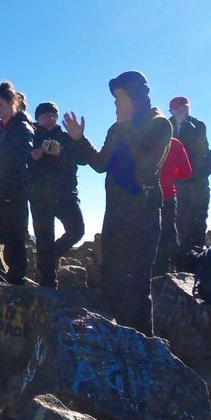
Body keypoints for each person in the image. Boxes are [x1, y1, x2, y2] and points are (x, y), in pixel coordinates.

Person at [64, 70, 172, 336]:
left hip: (143, 215)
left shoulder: (160, 124)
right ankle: (123, 341)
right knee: (112, 280)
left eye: (119, 98)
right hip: (115, 214)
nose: (115, 105)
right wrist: (79, 140)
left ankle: (144, 347)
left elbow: (147, 166)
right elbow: (101, 164)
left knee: (136, 286)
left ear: (135, 96)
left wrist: (127, 127)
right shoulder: (117, 128)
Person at [0, 81, 34, 285]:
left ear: (13, 102)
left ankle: (16, 279)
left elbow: (21, 154)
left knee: (14, 233)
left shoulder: (22, 126)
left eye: (0, 106)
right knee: (5, 232)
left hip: (15, 186)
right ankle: (14, 276)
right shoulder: (1, 129)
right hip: (1, 187)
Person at [29, 102, 85, 288]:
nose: (50, 118)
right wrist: (33, 156)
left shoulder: (65, 137)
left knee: (77, 230)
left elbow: (80, 158)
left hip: (65, 194)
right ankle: (48, 285)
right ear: (37, 118)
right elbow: (18, 161)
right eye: (45, 115)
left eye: (53, 115)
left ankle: (52, 255)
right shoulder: (30, 136)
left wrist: (60, 152)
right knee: (43, 239)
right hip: (39, 196)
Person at [169, 96, 211, 254]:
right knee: (178, 220)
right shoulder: (166, 126)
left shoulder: (198, 126)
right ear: (172, 111)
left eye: (186, 108)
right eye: (179, 109)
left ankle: (196, 258)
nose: (184, 112)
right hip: (177, 183)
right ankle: (176, 257)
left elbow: (200, 149)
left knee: (198, 219)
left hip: (198, 182)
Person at [154, 137, 192, 277]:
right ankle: (164, 272)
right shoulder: (175, 143)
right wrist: (170, 174)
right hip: (168, 195)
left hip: (145, 197)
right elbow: (186, 172)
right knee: (167, 234)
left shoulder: (140, 139)